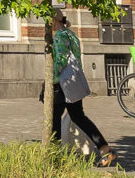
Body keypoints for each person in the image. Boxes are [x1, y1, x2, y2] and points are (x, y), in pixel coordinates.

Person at [51, 11, 115, 165]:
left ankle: (54, 155)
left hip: (62, 82)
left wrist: (51, 79)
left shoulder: (59, 35)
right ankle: (105, 149)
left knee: (54, 117)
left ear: (53, 20)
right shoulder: (72, 35)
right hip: (73, 81)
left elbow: (60, 59)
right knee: (78, 117)